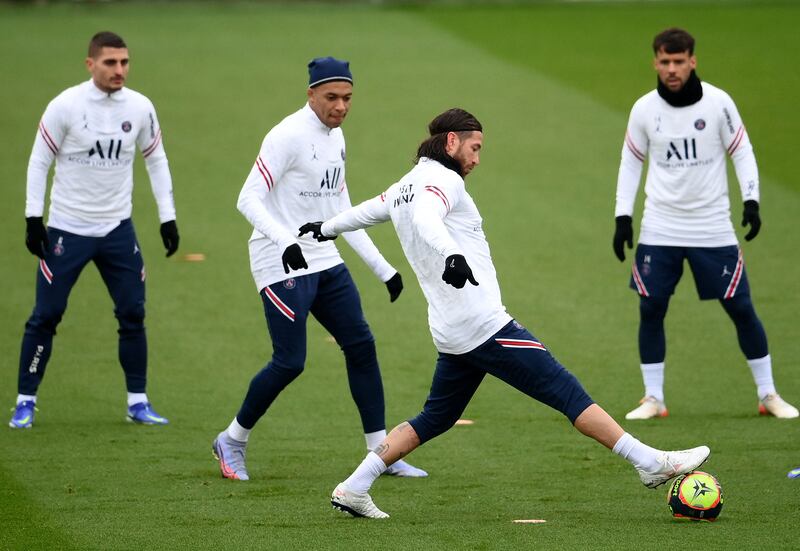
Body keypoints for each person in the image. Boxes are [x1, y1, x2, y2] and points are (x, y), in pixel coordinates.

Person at [299, 108, 710, 519]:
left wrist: (327, 227)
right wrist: (452, 254)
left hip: (450, 329)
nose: (477, 159)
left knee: (435, 417)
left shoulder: (407, 184)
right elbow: (426, 218)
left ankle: (354, 487)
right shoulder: (443, 180)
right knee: (567, 392)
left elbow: (370, 209)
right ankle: (649, 463)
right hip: (483, 325)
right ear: (451, 142)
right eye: (474, 148)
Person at [211, 57, 426, 481]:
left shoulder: (337, 137)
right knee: (290, 362)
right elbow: (247, 199)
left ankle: (380, 454)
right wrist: (286, 241)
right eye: (332, 97)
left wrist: (383, 268)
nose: (341, 106)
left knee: (361, 345)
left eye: (347, 97)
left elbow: (338, 208)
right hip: (280, 262)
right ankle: (232, 440)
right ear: (310, 94)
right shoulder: (287, 136)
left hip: (324, 259)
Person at [612, 28, 798, 420]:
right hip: (660, 225)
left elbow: (742, 151)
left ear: (692, 60)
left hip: (712, 226)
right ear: (656, 63)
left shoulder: (718, 103)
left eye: (679, 62)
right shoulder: (644, 109)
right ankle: (653, 398)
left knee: (740, 307)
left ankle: (768, 394)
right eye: (665, 62)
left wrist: (752, 199)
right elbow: (631, 162)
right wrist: (622, 216)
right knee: (651, 308)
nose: (672, 69)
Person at [9, 32, 179, 430]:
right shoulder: (65, 106)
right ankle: (25, 400)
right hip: (67, 230)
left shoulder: (140, 107)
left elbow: (156, 161)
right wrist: (34, 218)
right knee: (46, 315)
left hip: (118, 230)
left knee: (133, 313)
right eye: (110, 63)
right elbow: (39, 161)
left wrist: (167, 217)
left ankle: (138, 401)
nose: (119, 70)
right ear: (90, 65)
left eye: (124, 62)